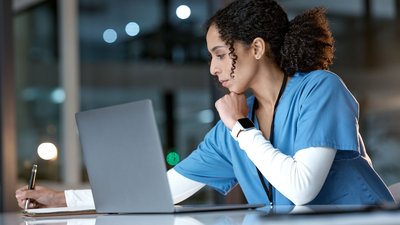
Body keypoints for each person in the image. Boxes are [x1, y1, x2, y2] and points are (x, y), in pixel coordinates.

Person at [16, 0, 395, 208]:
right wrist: (61, 198)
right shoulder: (231, 128)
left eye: (218, 54)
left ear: (257, 48)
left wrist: (242, 129)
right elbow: (161, 191)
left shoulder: (319, 89)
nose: (213, 69)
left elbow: (301, 188)